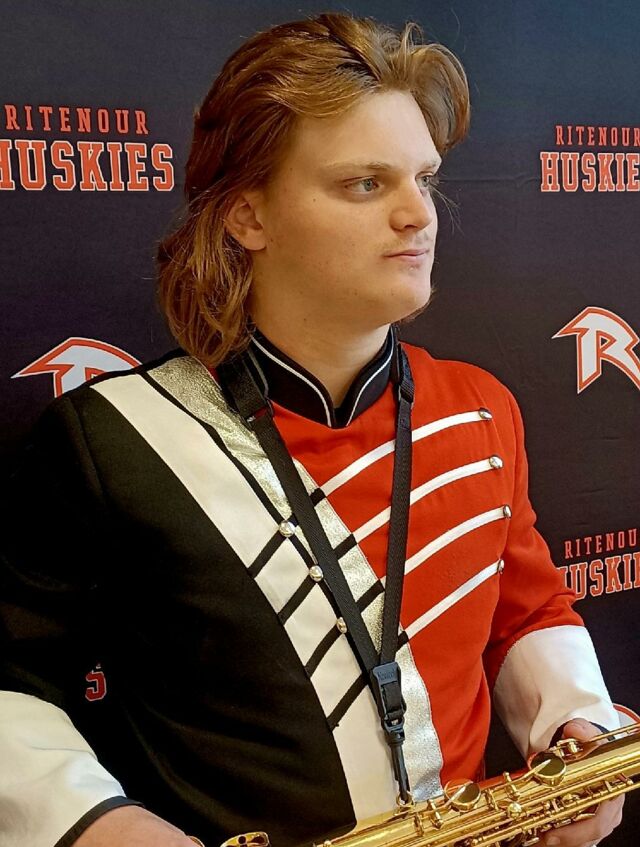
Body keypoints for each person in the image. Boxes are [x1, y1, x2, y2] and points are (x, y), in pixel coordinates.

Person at [0, 12, 625, 847]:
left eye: (424, 179)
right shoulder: (110, 440)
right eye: (365, 184)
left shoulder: (481, 407)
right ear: (248, 217)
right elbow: (15, 684)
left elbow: (527, 611)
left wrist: (579, 729)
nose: (418, 214)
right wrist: (105, 828)